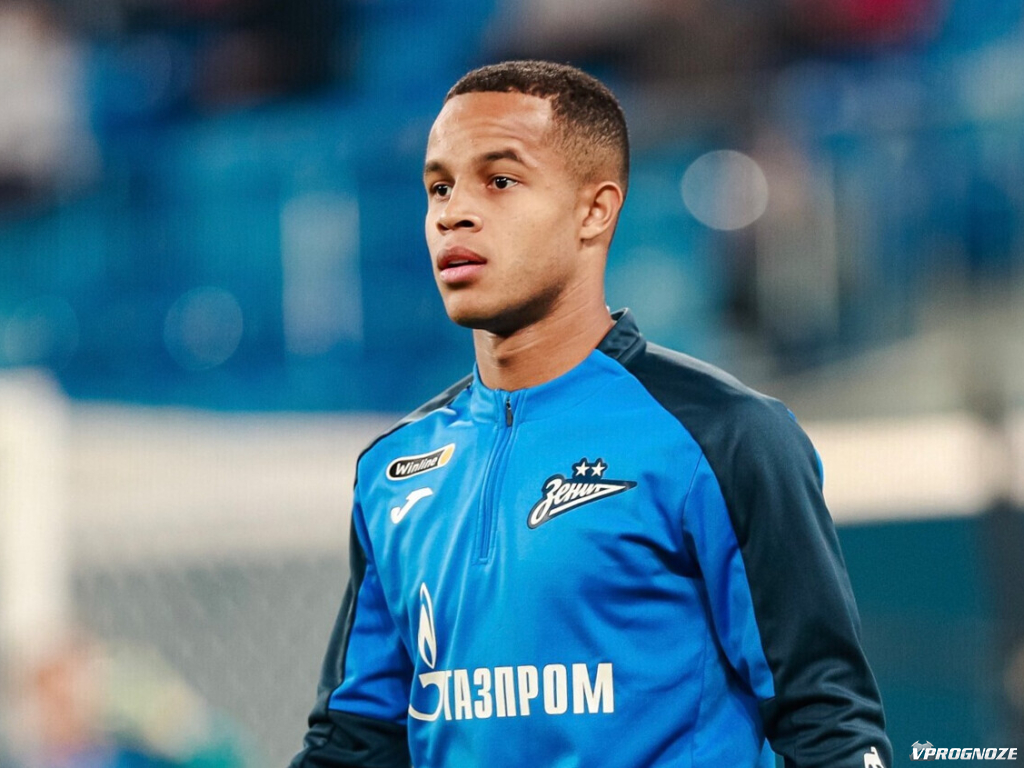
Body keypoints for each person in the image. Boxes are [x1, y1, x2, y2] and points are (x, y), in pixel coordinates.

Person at [289, 60, 892, 768]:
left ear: (595, 210)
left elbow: (828, 722)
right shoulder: (392, 469)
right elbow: (354, 742)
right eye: (439, 187)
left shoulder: (722, 437)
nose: (453, 213)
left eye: (499, 180)